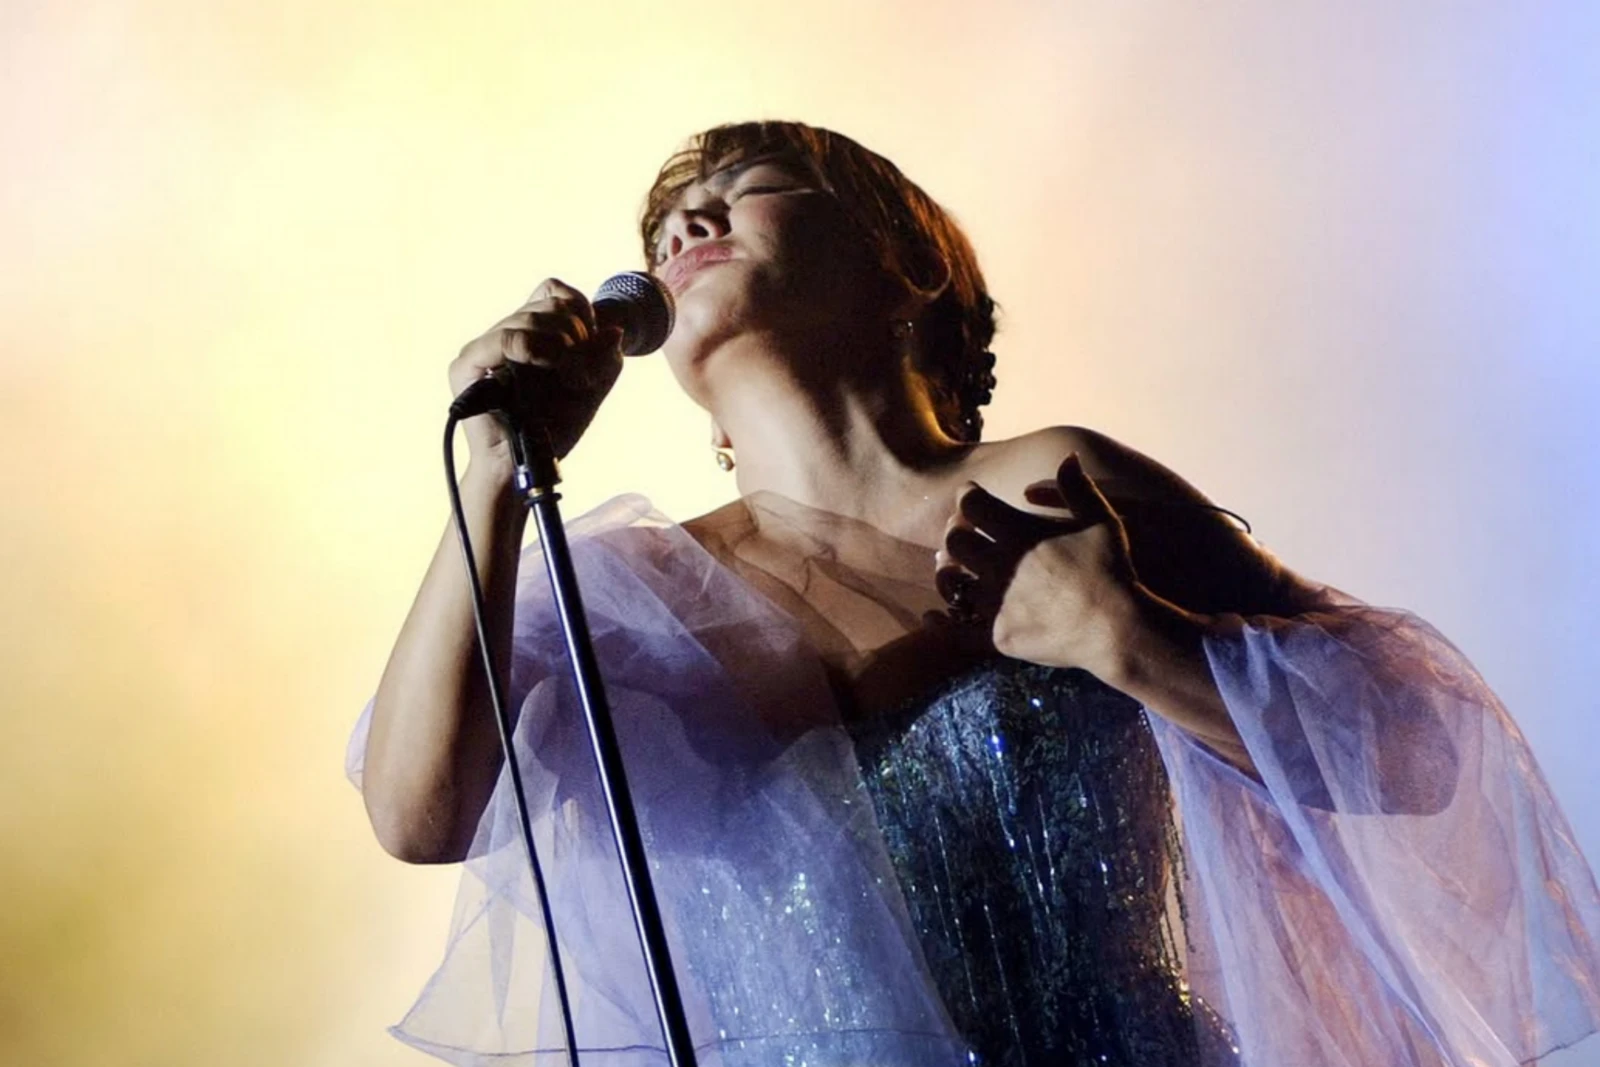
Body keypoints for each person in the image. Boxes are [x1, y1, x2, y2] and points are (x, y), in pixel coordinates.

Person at [349, 121, 1600, 1067]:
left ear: (903, 264)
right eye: (665, 223)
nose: (687, 221)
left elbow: (1414, 753)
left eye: (744, 185)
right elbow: (421, 814)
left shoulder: (1056, 480)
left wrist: (1136, 642)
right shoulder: (629, 588)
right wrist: (487, 476)